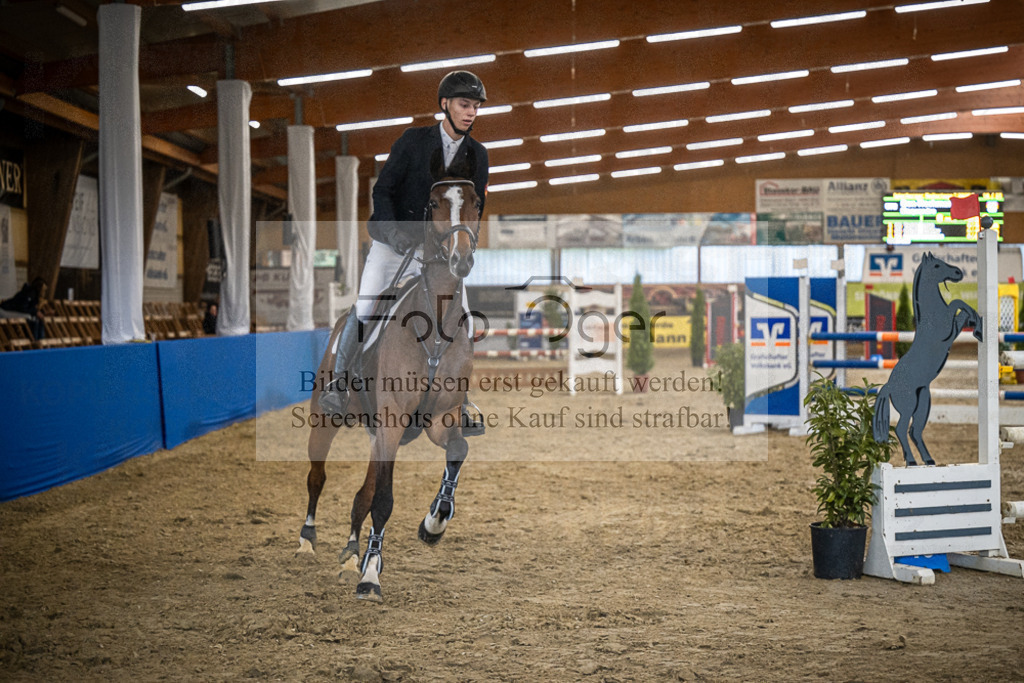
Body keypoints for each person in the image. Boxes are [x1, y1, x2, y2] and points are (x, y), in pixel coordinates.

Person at [319, 71, 490, 435]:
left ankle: (460, 400)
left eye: (475, 106)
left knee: (465, 320)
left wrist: (464, 241)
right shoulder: (413, 142)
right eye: (464, 104)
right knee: (366, 308)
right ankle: (338, 384)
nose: (471, 112)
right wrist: (396, 235)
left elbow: (477, 203)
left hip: (441, 253)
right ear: (445, 104)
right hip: (393, 245)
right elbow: (383, 192)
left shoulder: (478, 154)